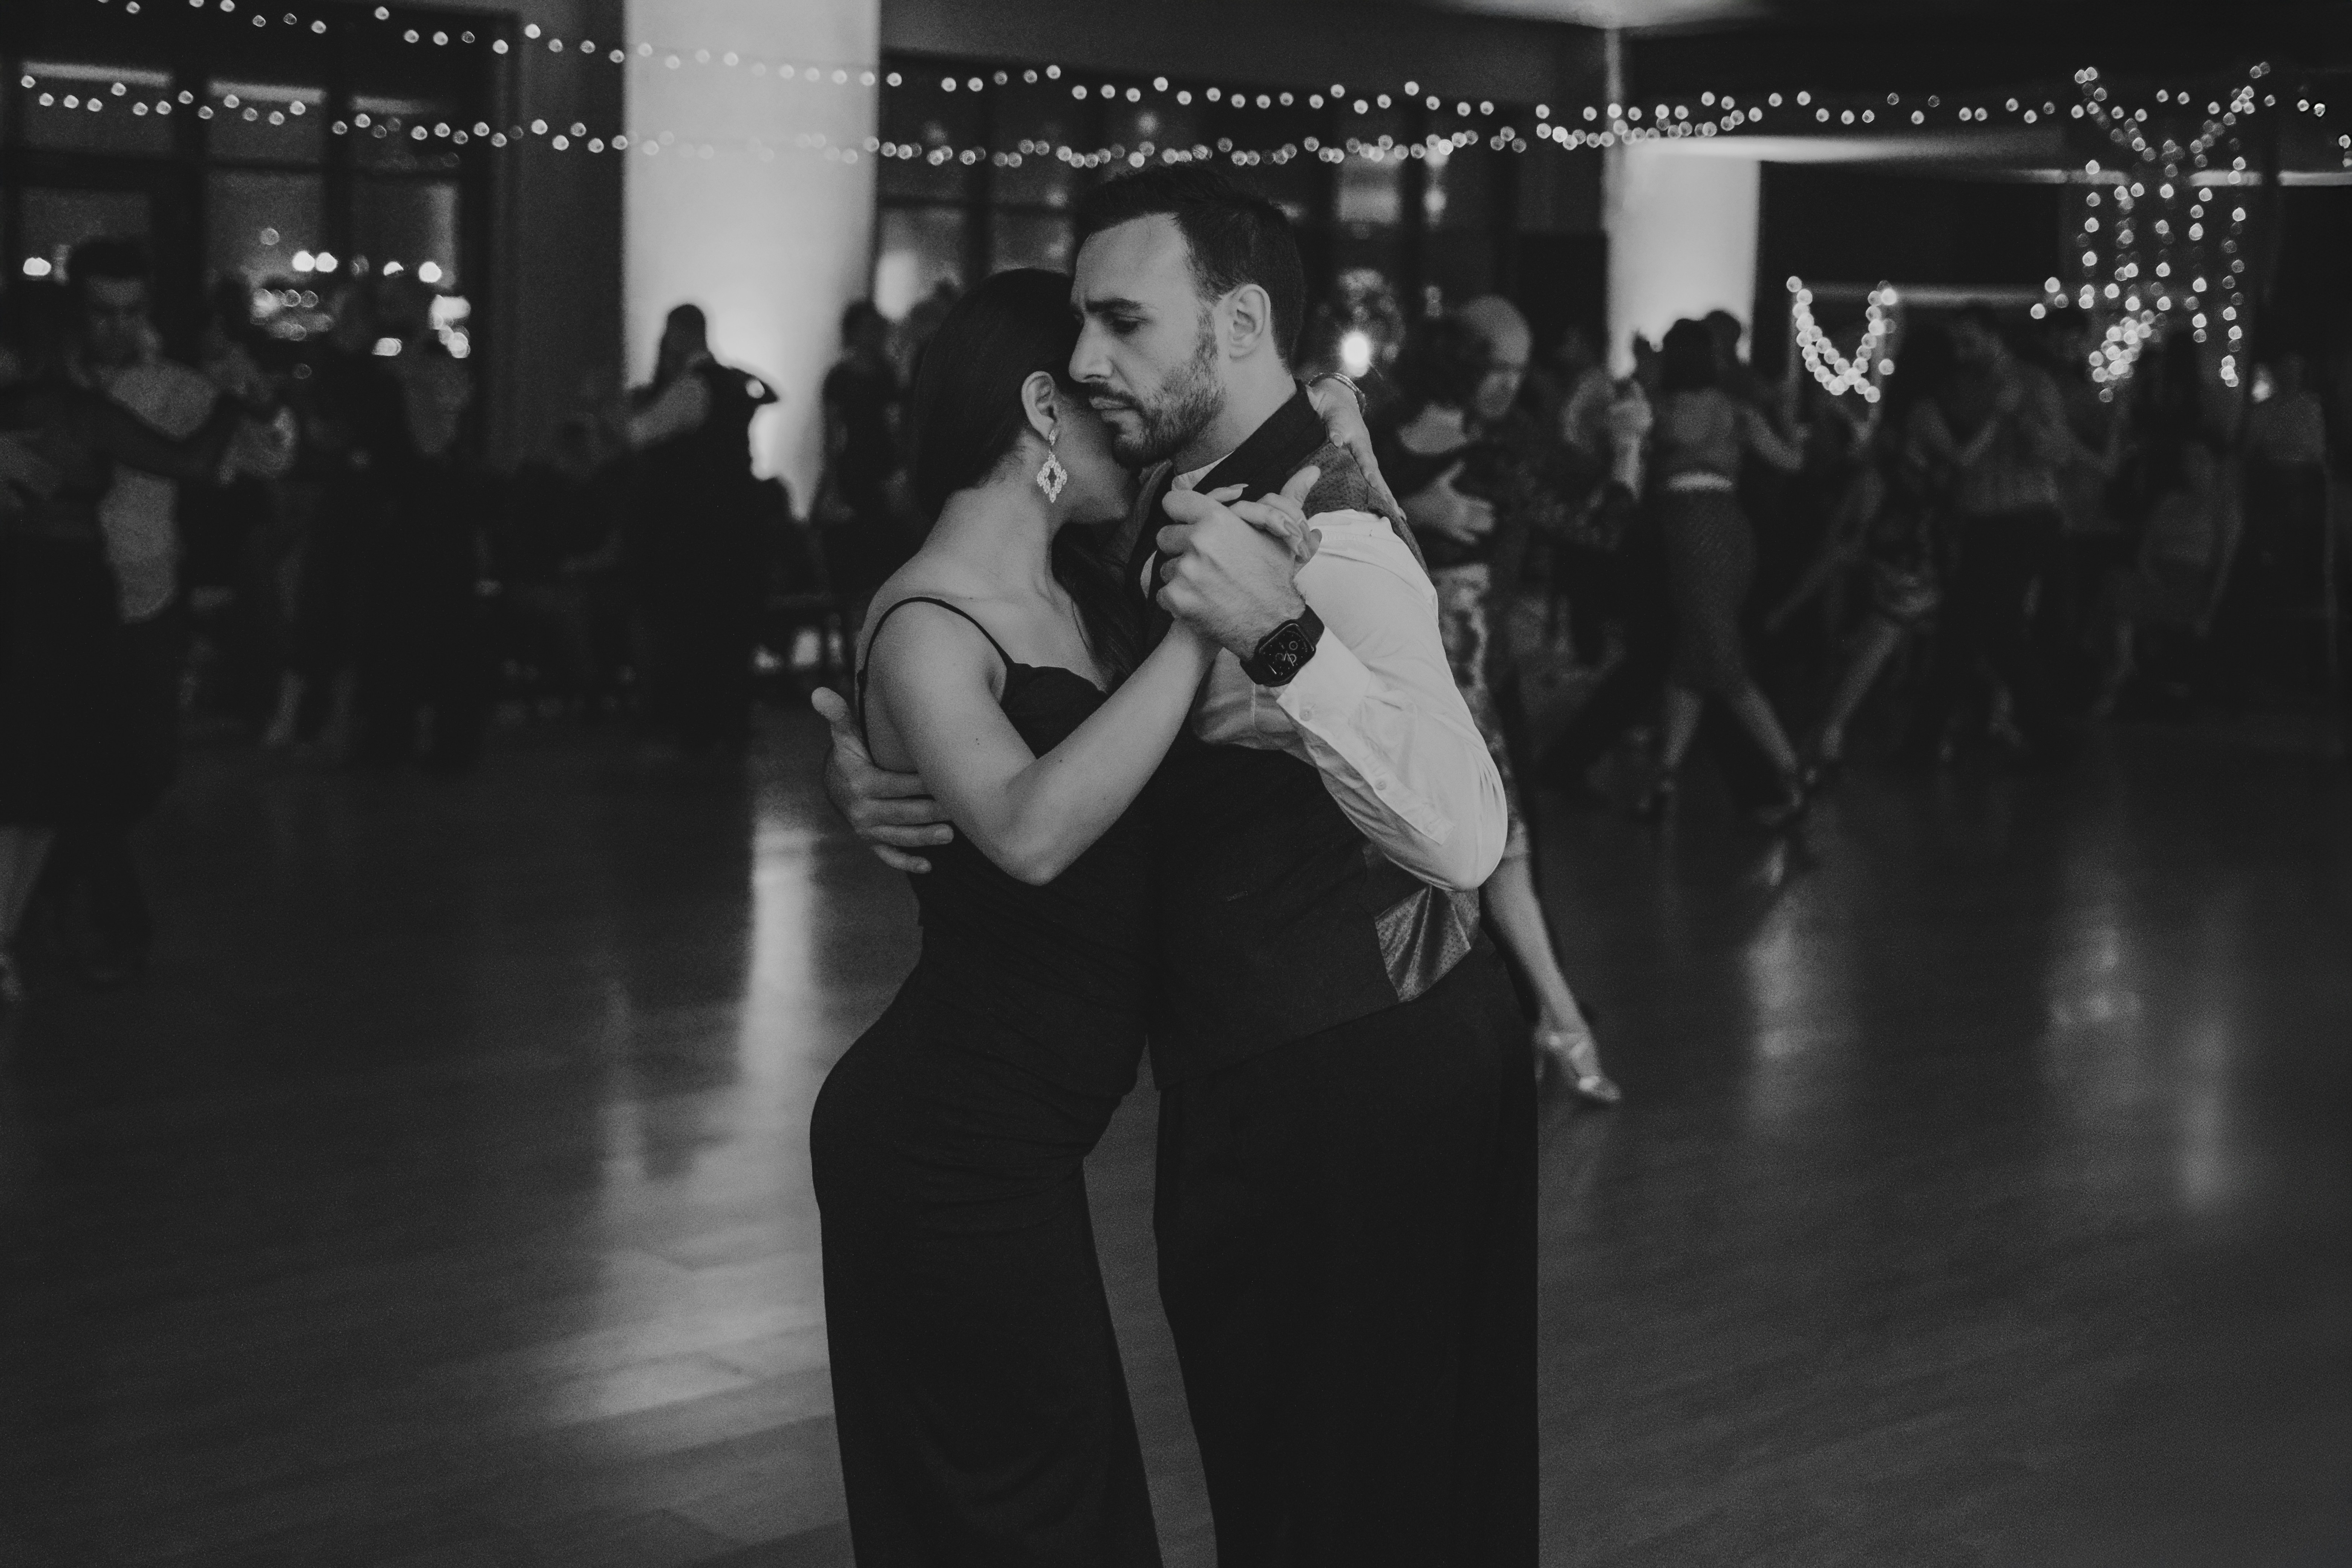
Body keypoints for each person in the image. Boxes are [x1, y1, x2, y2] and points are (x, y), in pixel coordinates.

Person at [820, 166, 1533, 1563]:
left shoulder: (1321, 534)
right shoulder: (1147, 509)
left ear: (1238, 321)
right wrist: (877, 770)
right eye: (1078, 335)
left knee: (1357, 1492)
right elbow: (1013, 694)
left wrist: (1282, 642)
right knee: (1294, 1478)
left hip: (1357, 1069)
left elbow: (1467, 827)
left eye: (1122, 326)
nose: (1089, 365)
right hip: (1249, 1077)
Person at [812, 269, 1243, 1562]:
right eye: (1115, 407)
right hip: (942, 1147)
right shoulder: (926, 614)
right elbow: (1030, 831)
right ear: (1042, 405)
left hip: (1020, 1135)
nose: (1142, 434)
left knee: (1060, 1495)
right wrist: (1198, 635)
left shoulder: (1084, 602)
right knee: (1022, 1515)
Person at [1380, 312, 1617, 1103]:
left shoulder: (1451, 453)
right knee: (1474, 854)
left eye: (1519, 372)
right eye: (1501, 370)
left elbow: (1598, 521)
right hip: (1425, 682)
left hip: (1433, 680)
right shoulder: (1429, 448)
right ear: (1466, 369)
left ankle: (1547, 1017)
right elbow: (1599, 524)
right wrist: (1418, 510)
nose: (1512, 386)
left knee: (1474, 854)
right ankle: (1543, 1020)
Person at [1, 304, 265, 1001]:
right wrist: (233, 400)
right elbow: (195, 464)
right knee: (78, 770)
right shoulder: (79, 411)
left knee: (38, 769)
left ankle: (34, 927)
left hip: (23, 589)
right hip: (71, 598)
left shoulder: (25, 415)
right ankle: (66, 928)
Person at [1636, 318, 1808, 823]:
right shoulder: (1736, 410)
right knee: (1694, 660)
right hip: (1731, 528)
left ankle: (1791, 768)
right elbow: (1792, 462)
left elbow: (1634, 463)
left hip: (1690, 530)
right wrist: (1788, 420)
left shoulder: (1660, 409)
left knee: (1719, 659)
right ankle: (1663, 778)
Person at [1905, 304, 2085, 761]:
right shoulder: (1965, 387)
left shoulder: (2032, 382)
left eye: (1968, 341)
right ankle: (2047, 737)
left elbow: (2059, 453)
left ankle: (1928, 739)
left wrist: (2025, 424)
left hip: (2020, 516)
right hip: (1988, 519)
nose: (1961, 351)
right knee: (1983, 632)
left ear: (1993, 335)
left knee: (1977, 630)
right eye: (1956, 343)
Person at [616, 303, 777, 754]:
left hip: (695, 529)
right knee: (730, 626)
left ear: (680, 335)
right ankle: (728, 719)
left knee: (693, 626)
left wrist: (611, 409)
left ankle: (693, 723)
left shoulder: (691, 388)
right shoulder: (731, 384)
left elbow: (640, 433)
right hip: (740, 525)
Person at [815, 300, 911, 635]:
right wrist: (834, 486)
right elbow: (832, 436)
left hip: (876, 472)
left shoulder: (883, 374)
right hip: (859, 473)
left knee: (879, 561)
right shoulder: (845, 377)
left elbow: (894, 427)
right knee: (861, 565)